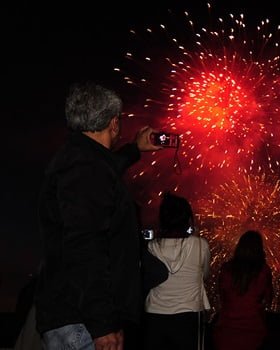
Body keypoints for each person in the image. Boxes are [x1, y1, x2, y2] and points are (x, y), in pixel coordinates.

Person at [35, 82, 162, 350]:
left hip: (75, 317)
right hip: (83, 324)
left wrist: (135, 149)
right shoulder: (86, 168)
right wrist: (102, 323)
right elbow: (85, 246)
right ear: (114, 123)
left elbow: (105, 169)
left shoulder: (80, 161)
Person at [143, 192, 211, 350]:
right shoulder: (200, 245)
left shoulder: (151, 247)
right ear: (187, 218)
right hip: (189, 315)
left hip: (155, 315)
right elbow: (205, 275)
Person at [212, 230, 273, 350]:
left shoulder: (226, 270)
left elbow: (222, 296)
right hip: (254, 335)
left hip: (225, 334)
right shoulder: (263, 271)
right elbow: (268, 299)